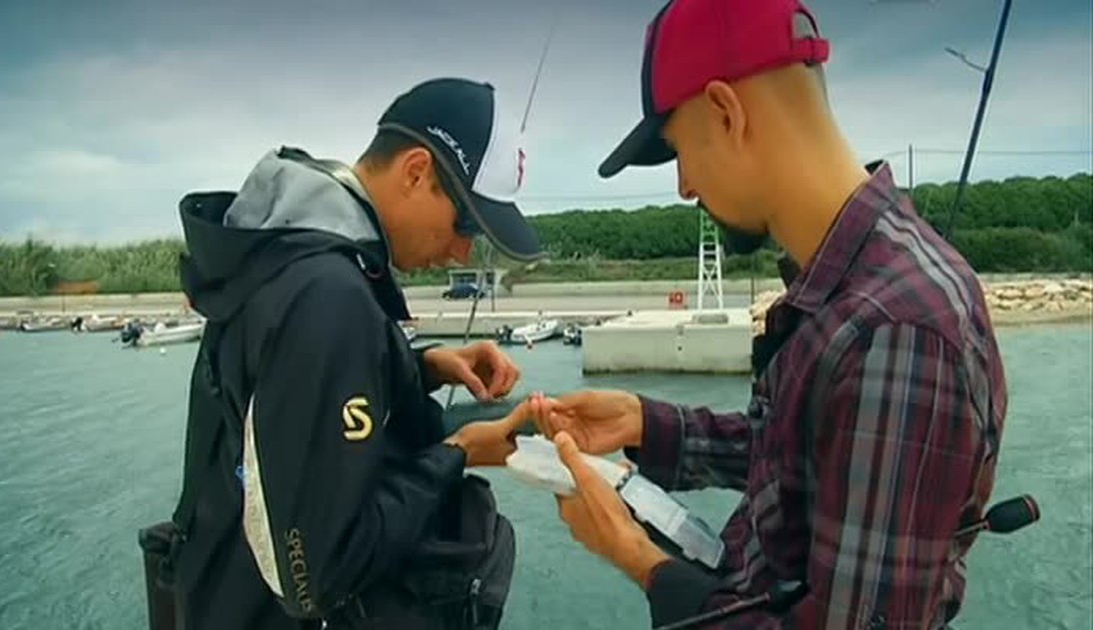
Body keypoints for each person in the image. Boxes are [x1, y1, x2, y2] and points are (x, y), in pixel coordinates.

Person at [530, 0, 1008, 628]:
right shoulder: (859, 289)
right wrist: (645, 424)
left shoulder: (896, 333)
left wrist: (637, 557)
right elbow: (805, 455)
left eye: (679, 151)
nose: (684, 187)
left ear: (726, 113)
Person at [162, 77, 543, 629]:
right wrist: (457, 452)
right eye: (466, 222)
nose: (463, 250)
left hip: (216, 595)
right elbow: (319, 576)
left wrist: (420, 366)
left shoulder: (280, 255)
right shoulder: (329, 293)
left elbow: (276, 393)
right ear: (416, 171)